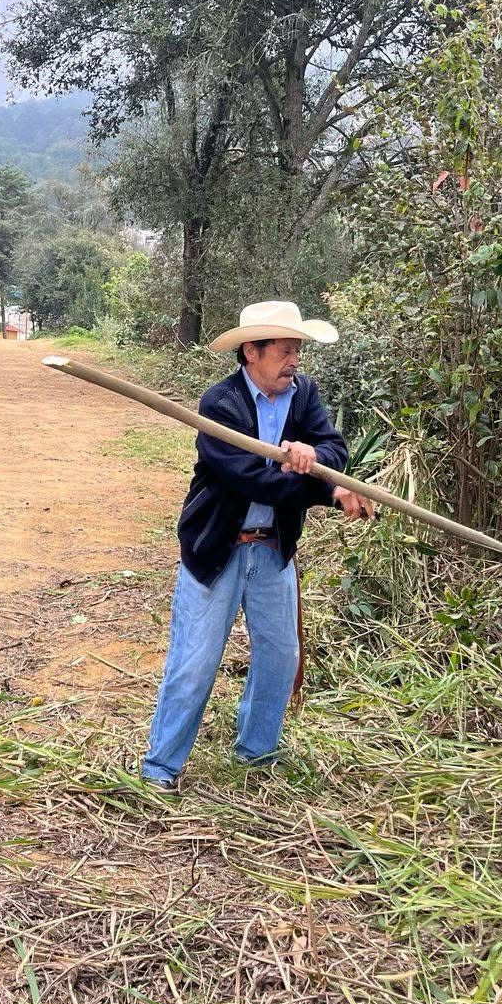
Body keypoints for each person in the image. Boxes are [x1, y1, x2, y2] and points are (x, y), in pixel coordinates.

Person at [142, 300, 374, 787]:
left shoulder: (304, 393)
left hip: (273, 549)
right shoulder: (219, 404)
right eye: (285, 352)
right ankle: (161, 767)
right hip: (217, 549)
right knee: (195, 660)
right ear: (252, 351)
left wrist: (319, 461)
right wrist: (329, 490)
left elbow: (334, 446)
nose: (294, 362)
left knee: (280, 656)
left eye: (296, 352)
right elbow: (253, 480)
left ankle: (257, 752)